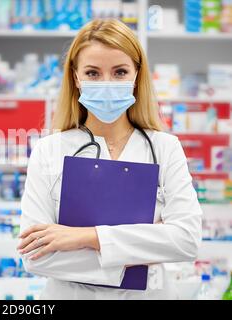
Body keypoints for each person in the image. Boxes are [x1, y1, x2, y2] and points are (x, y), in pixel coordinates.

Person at [17, 19, 203, 299]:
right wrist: (145, 249)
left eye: (120, 72)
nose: (107, 83)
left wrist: (85, 237)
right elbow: (36, 256)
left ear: (137, 76)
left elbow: (187, 240)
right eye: (93, 73)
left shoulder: (165, 148)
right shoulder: (48, 151)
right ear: (76, 78)